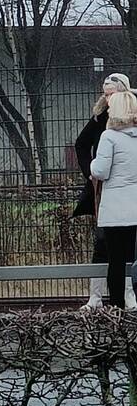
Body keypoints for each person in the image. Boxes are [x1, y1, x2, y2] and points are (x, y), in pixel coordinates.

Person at [74, 73, 134, 309]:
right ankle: (96, 296)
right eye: (106, 94)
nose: (108, 99)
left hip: (121, 192)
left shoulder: (125, 126)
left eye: (112, 94)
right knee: (102, 244)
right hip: (105, 189)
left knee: (126, 249)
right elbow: (81, 144)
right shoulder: (101, 120)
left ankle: (127, 295)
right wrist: (90, 173)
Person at [91, 90, 137, 310]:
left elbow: (100, 171)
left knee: (116, 262)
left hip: (115, 212)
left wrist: (91, 166)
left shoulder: (109, 137)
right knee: (132, 259)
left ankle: (116, 309)